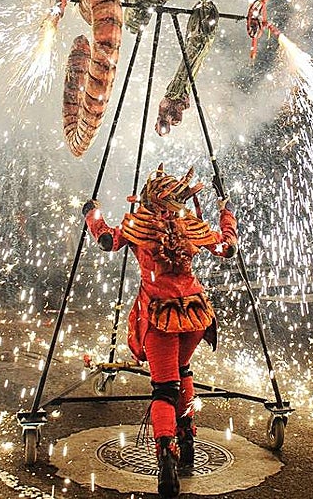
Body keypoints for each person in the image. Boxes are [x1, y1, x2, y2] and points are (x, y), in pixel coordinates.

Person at [83, 165, 237, 497]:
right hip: (195, 314)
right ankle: (188, 440)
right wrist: (227, 215)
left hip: (160, 318)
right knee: (183, 372)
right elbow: (228, 248)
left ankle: (166, 455)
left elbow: (106, 239)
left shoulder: (139, 225)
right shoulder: (190, 226)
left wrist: (91, 212)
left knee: (164, 389)